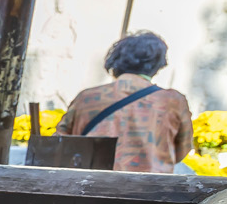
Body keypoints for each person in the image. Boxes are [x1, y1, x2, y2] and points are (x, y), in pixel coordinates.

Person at [57, 31, 193, 172]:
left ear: (115, 62)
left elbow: (61, 142)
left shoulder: (86, 98)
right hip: (149, 189)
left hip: (91, 187)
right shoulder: (172, 102)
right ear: (158, 66)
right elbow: (182, 148)